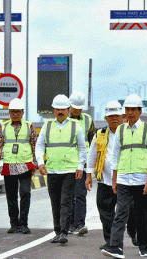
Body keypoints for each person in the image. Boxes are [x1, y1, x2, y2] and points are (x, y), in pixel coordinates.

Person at [102, 94, 147, 258]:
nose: (130, 112)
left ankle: (143, 247)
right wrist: (114, 179)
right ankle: (116, 247)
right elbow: (115, 156)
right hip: (123, 180)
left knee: (142, 214)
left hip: (142, 179)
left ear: (140, 111)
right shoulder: (120, 130)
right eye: (127, 109)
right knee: (121, 213)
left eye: (133, 109)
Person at [86, 101, 138, 250]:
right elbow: (92, 155)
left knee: (131, 209)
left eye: (116, 116)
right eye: (110, 116)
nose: (114, 119)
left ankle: (133, 232)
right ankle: (110, 241)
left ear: (122, 117)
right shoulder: (100, 133)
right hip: (105, 180)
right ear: (106, 118)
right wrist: (89, 175)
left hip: (125, 180)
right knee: (105, 213)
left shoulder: (129, 132)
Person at [35, 94, 87, 244]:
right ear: (53, 110)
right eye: (57, 109)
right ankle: (58, 231)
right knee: (55, 202)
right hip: (52, 170)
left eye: (63, 109)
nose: (60, 112)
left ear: (68, 110)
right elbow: (39, 146)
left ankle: (64, 232)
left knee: (66, 201)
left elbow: (82, 148)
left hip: (69, 170)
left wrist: (80, 167)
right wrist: (40, 162)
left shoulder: (75, 126)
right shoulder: (47, 125)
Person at [0, 98, 38, 234]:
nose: (15, 114)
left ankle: (24, 223)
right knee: (11, 195)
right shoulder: (3, 127)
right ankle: (14, 224)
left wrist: (36, 163)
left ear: (22, 112)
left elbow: (35, 144)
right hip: (9, 165)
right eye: (12, 112)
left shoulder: (29, 126)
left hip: (25, 164)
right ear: (9, 113)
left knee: (25, 193)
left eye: (18, 111)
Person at [68, 91, 95, 236]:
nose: (77, 110)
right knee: (67, 195)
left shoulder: (88, 120)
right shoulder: (64, 119)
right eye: (75, 107)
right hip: (67, 163)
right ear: (70, 106)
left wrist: (92, 163)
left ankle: (79, 224)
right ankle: (69, 223)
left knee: (79, 194)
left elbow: (93, 140)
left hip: (82, 163)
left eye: (80, 107)